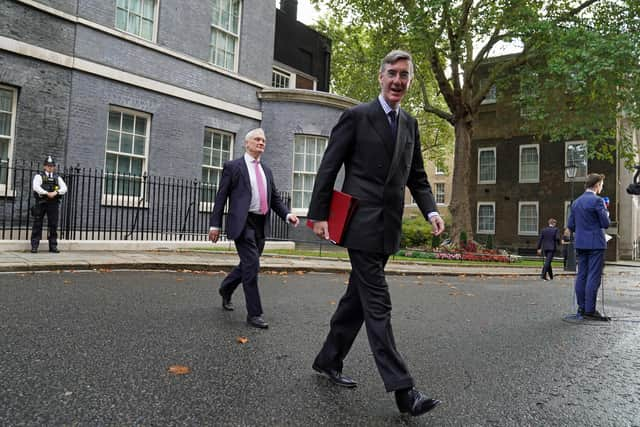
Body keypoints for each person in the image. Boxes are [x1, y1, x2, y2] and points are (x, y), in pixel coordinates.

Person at [307, 50, 445, 417]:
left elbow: (415, 175)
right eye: (392, 73)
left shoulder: (410, 124)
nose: (398, 80)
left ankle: (328, 359)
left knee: (357, 300)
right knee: (378, 305)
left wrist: (431, 209)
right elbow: (329, 166)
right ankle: (404, 391)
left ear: (410, 81)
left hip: (388, 228)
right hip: (360, 226)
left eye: (405, 75)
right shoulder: (356, 116)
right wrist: (318, 214)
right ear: (380, 77)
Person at [208, 128, 299, 329]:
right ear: (247, 143)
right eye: (257, 139)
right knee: (252, 266)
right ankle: (254, 314)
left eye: (264, 140)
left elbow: (274, 198)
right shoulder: (233, 167)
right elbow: (221, 197)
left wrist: (287, 214)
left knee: (248, 265)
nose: (261, 143)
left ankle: (226, 288)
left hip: (260, 223)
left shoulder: (266, 170)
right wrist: (215, 225)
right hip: (242, 223)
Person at [567, 173, 611, 321]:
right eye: (602, 185)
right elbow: (605, 223)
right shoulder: (598, 201)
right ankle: (590, 310)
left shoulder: (576, 202)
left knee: (581, 275)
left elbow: (571, 225)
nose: (602, 188)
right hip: (595, 244)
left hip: (580, 243)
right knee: (593, 276)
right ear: (597, 185)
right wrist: (606, 211)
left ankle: (581, 306)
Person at [30, 155, 67, 253]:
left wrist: (56, 193)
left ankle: (53, 246)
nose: (50, 167)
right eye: (48, 165)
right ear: (44, 166)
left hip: (53, 204)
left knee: (53, 225)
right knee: (37, 224)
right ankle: (34, 246)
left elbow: (64, 188)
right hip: (41, 202)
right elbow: (36, 187)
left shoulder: (57, 178)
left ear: (54, 167)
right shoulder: (39, 176)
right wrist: (47, 193)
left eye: (52, 165)